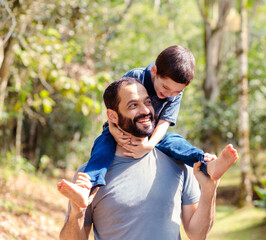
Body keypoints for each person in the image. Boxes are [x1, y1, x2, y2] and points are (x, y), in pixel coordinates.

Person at [58, 77, 238, 239]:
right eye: (133, 105)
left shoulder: (178, 162)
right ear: (113, 116)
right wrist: (77, 213)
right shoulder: (89, 177)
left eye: (147, 102)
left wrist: (209, 189)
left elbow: (197, 234)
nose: (145, 110)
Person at [60, 45, 237, 208]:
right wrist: (113, 130)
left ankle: (209, 166)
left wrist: (149, 145)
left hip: (151, 133)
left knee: (177, 143)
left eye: (177, 92)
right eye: (166, 87)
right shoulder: (135, 77)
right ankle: (86, 187)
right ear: (154, 71)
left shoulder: (174, 94)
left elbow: (164, 122)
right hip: (119, 127)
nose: (169, 95)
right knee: (102, 149)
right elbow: (115, 106)